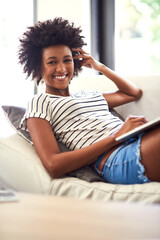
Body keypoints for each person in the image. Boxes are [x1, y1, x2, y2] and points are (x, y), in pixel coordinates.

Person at [18, 17, 160, 184]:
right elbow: (53, 165)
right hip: (116, 158)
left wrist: (99, 67)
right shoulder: (40, 102)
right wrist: (117, 136)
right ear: (37, 66)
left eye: (67, 60)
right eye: (52, 62)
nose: (62, 68)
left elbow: (133, 93)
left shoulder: (89, 95)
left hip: (137, 141)